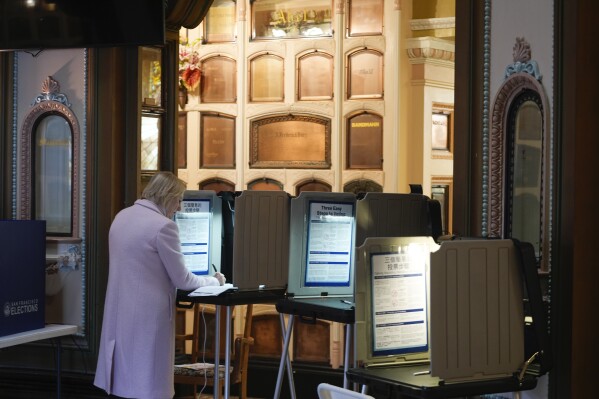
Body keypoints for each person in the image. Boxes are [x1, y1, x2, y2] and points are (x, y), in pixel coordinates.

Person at [94, 171, 226, 399]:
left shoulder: (122, 217)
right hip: (149, 318)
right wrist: (213, 280)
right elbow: (183, 280)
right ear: (167, 196)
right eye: (179, 200)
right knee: (148, 384)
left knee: (124, 382)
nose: (179, 207)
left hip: (120, 313)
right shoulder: (164, 227)